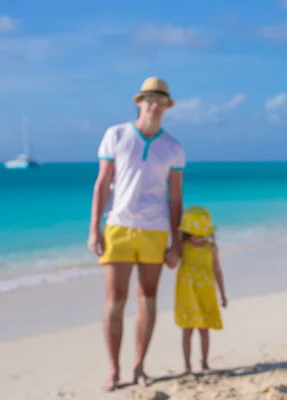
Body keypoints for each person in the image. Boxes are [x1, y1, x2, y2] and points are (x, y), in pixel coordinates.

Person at [87, 77, 185, 391]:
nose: (154, 106)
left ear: (167, 107)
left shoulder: (173, 147)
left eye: (161, 101)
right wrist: (94, 229)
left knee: (148, 299)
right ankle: (114, 369)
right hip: (117, 226)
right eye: (149, 100)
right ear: (139, 102)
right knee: (115, 301)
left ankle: (139, 366)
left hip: (155, 230)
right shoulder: (115, 135)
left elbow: (175, 197)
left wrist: (176, 242)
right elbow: (102, 184)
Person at [173, 206, 227, 375]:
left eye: (200, 232)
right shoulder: (183, 246)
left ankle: (204, 363)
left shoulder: (211, 248)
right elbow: (171, 260)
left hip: (206, 293)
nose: (197, 235)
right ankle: (187, 366)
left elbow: (217, 270)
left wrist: (223, 294)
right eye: (194, 231)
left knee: (204, 330)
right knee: (187, 330)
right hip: (187, 294)